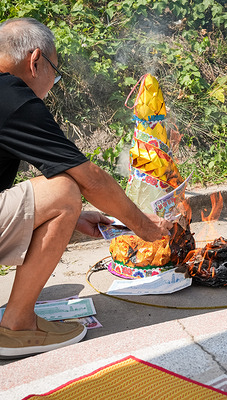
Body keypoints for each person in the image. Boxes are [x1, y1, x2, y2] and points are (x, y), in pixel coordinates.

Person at [0, 17, 172, 359]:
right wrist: (145, 227)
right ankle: (17, 326)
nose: (54, 81)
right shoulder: (11, 96)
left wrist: (68, 216)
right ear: (36, 61)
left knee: (61, 199)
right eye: (55, 71)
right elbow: (88, 178)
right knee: (64, 190)